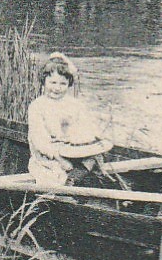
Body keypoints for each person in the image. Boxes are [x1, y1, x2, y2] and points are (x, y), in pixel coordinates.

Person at [27, 53, 115, 188]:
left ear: (69, 84)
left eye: (63, 83)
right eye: (53, 82)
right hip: (50, 155)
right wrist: (60, 159)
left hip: (73, 151)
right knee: (53, 176)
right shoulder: (37, 106)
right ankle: (68, 186)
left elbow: (88, 128)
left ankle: (75, 177)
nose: (57, 88)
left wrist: (98, 138)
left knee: (94, 158)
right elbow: (39, 141)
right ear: (44, 82)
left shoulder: (75, 104)